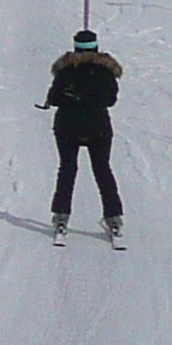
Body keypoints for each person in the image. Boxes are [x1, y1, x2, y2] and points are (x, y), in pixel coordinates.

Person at [40, 29, 125, 242]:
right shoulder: (106, 71)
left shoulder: (66, 70)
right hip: (98, 127)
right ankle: (113, 217)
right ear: (96, 46)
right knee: (103, 170)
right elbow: (110, 100)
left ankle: (61, 216)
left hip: (68, 126)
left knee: (67, 169)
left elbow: (55, 98)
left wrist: (71, 96)